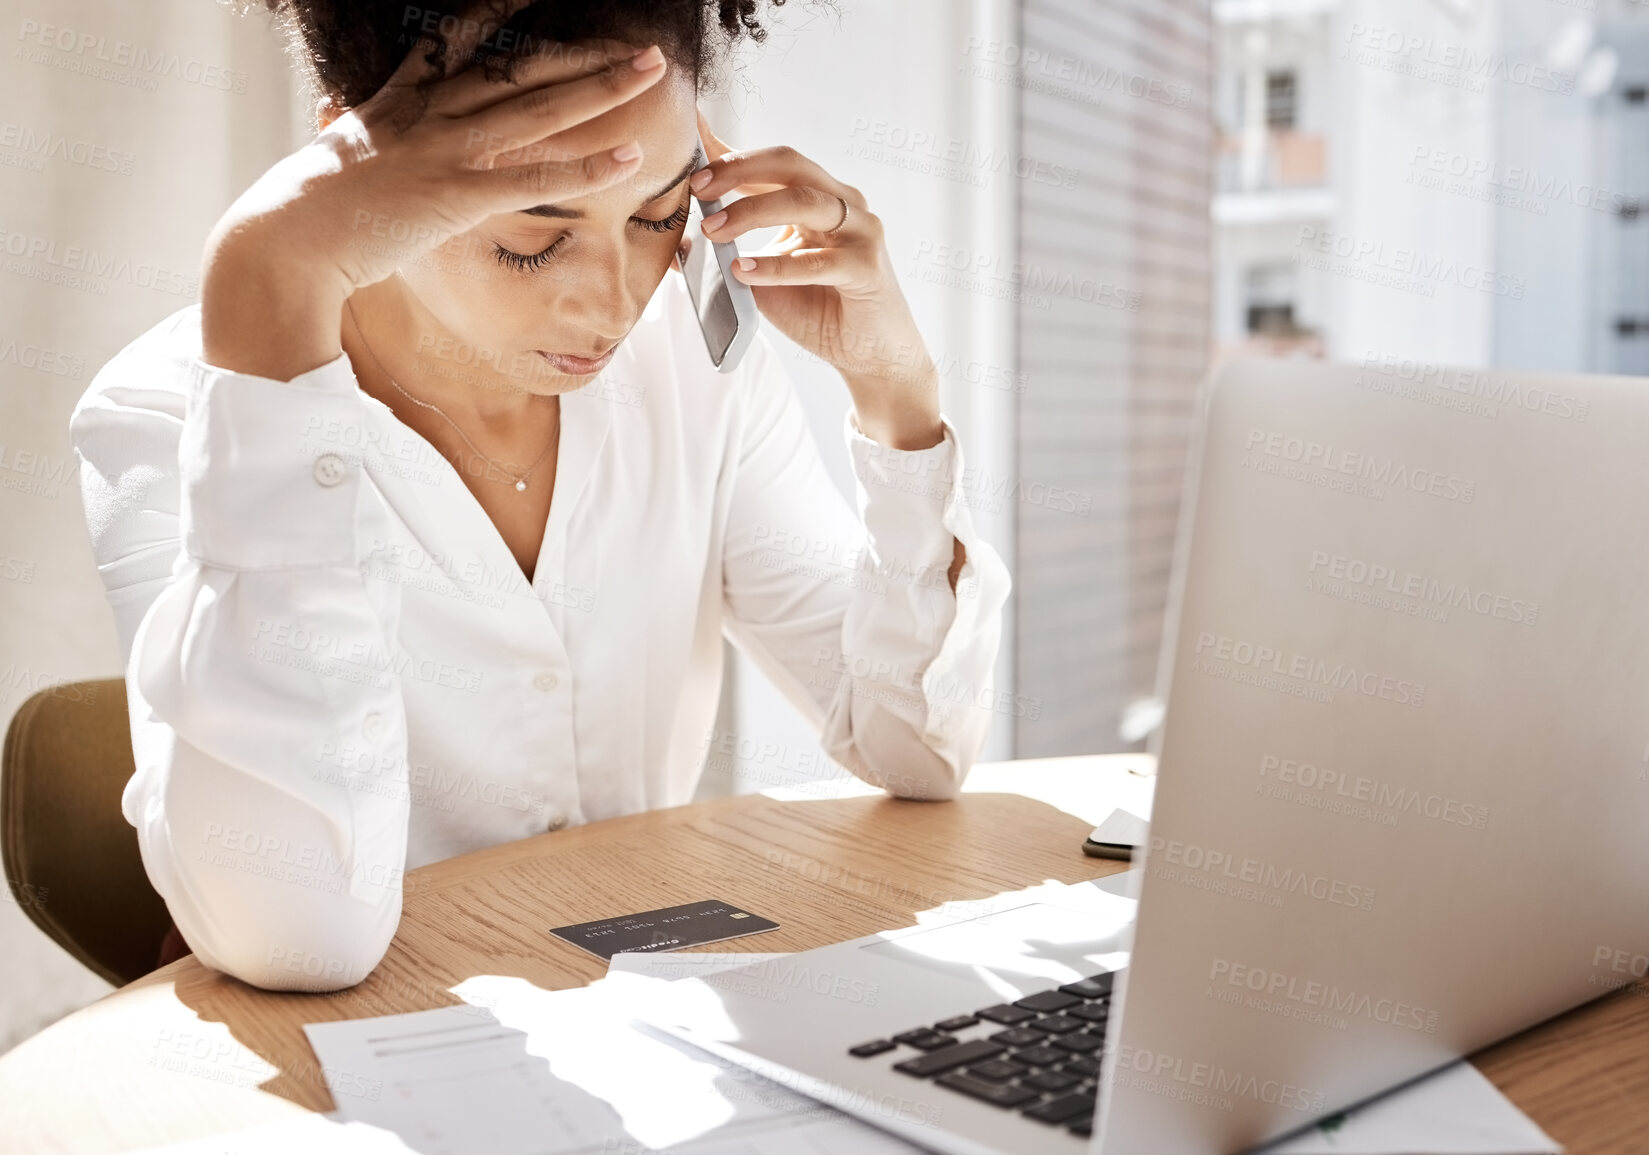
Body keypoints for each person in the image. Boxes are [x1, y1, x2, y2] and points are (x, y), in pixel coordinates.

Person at [67, 0, 1010, 992]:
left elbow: (916, 746)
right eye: (532, 232)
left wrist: (898, 391)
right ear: (350, 160)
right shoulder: (168, 415)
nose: (614, 303)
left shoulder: (692, 366)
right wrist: (264, 267)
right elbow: (297, 939)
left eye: (657, 219)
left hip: (657, 1032)